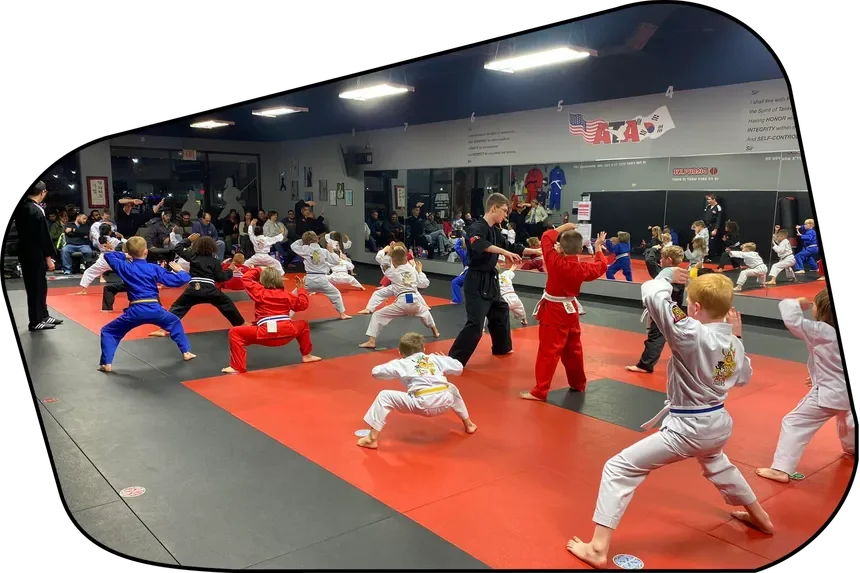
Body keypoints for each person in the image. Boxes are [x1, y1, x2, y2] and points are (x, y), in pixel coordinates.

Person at [566, 271, 773, 568]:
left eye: (689, 303)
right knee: (717, 464)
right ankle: (762, 518)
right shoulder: (734, 343)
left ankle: (598, 549)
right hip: (718, 424)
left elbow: (653, 296)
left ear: (696, 308)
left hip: (689, 429)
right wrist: (737, 337)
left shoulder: (690, 331)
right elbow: (742, 378)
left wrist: (664, 275)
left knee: (618, 467)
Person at [756, 292, 853, 483]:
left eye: (815, 305)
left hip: (829, 392)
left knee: (794, 422)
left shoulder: (820, 331)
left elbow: (791, 319)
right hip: (842, 391)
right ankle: (852, 447)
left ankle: (780, 469)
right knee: (846, 418)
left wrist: (796, 303)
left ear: (823, 310)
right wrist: (820, 376)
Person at [448, 193, 539, 366]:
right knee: (476, 324)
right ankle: (453, 360)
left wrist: (535, 251)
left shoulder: (495, 231)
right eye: (504, 211)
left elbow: (511, 246)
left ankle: (501, 347)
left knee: (500, 309)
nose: (506, 215)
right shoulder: (476, 228)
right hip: (476, 280)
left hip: (490, 279)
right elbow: (478, 244)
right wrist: (505, 253)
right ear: (493, 208)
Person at [521, 225, 608, 401]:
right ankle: (578, 383)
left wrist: (565, 226)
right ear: (581, 248)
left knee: (548, 352)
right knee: (573, 349)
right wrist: (598, 247)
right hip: (571, 310)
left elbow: (546, 237)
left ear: (560, 246)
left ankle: (540, 391)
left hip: (554, 311)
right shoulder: (583, 269)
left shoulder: (555, 261)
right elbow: (602, 266)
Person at [357, 332, 476, 450]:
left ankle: (371, 439)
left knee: (384, 396)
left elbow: (375, 372)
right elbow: (459, 367)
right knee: (451, 388)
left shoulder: (401, 363)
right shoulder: (434, 358)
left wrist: (393, 364)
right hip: (445, 401)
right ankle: (469, 424)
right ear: (423, 349)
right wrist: (445, 359)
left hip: (421, 403)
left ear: (401, 353)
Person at [98, 237, 195, 372]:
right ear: (146, 252)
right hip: (155, 309)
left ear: (129, 252)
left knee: (108, 331)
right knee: (174, 322)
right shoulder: (153, 268)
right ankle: (186, 352)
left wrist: (125, 255)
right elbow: (180, 281)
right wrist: (181, 270)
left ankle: (106, 363)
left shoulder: (125, 266)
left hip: (135, 311)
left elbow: (108, 255)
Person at [221, 270, 321, 374]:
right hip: (287, 333)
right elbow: (303, 304)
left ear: (262, 279)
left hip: (265, 335)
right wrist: (301, 289)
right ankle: (307, 355)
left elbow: (246, 278)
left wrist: (259, 269)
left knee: (234, 332)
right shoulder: (286, 295)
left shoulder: (259, 291)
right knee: (303, 324)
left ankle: (237, 366)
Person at [148, 235, 246, 337]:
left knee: (178, 307)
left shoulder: (193, 256)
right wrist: (230, 270)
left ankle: (163, 329)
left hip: (193, 289)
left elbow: (178, 248)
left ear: (197, 246)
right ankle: (241, 323)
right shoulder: (215, 261)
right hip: (210, 290)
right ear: (213, 247)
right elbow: (221, 278)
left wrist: (189, 240)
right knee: (227, 304)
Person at [359, 247, 439, 349]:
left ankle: (371, 341)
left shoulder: (393, 272)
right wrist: (420, 271)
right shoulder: (412, 270)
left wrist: (389, 253)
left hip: (402, 301)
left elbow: (384, 265)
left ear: (393, 261)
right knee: (424, 312)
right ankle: (435, 331)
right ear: (406, 259)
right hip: (414, 299)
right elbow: (424, 284)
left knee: (377, 315)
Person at [625, 246, 687, 374]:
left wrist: (653, 248)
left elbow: (649, 261)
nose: (660, 260)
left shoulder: (665, 275)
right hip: (676, 310)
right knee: (681, 336)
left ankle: (645, 365)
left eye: (662, 258)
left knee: (656, 336)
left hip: (665, 309)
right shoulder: (681, 274)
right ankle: (689, 360)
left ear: (669, 260)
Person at [15, 181, 63, 331]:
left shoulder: (26, 207)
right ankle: (35, 321)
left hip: (29, 251)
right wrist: (49, 257)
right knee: (35, 287)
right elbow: (43, 236)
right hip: (33, 252)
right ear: (43, 193)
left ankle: (43, 315)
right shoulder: (34, 210)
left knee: (40, 285)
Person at [290, 231, 350, 320]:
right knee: (335, 293)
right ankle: (342, 314)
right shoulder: (324, 251)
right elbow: (336, 261)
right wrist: (331, 251)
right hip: (322, 280)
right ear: (317, 240)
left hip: (309, 280)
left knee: (293, 296)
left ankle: (288, 316)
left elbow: (293, 246)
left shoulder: (305, 249)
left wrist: (303, 241)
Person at [497, 261, 528, 327]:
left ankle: (501, 323)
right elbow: (510, 271)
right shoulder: (505, 275)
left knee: (500, 311)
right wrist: (512, 268)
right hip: (514, 296)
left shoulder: (492, 279)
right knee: (520, 308)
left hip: (504, 298)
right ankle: (524, 320)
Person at [703, 193, 724, 260]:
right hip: (707, 226)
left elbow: (718, 219)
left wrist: (715, 229)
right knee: (706, 241)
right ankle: (706, 256)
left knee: (712, 242)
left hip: (713, 227)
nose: (707, 201)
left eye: (709, 199)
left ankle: (712, 257)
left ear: (713, 199)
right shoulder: (708, 207)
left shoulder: (718, 207)